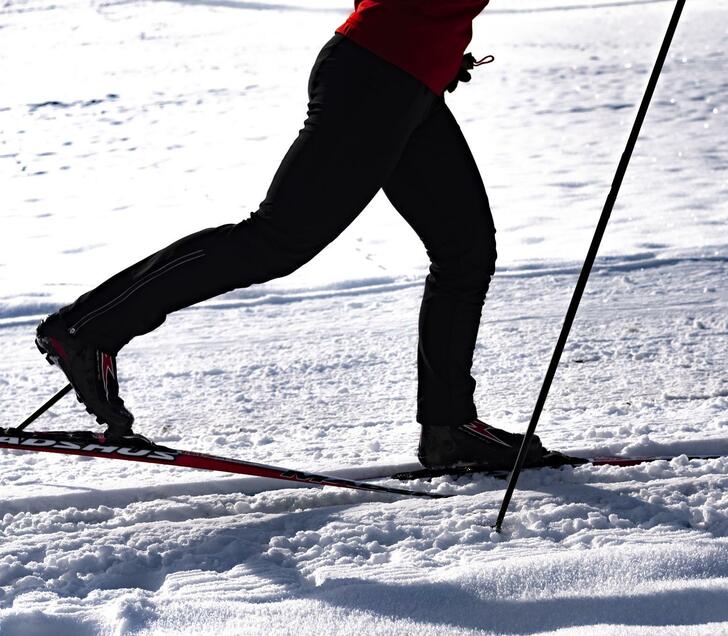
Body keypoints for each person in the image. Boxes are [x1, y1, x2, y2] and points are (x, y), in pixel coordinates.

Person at [35, 0, 553, 470]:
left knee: (465, 251)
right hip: (377, 74)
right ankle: (87, 329)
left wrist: (434, 50)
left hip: (408, 80)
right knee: (276, 239)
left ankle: (449, 427)